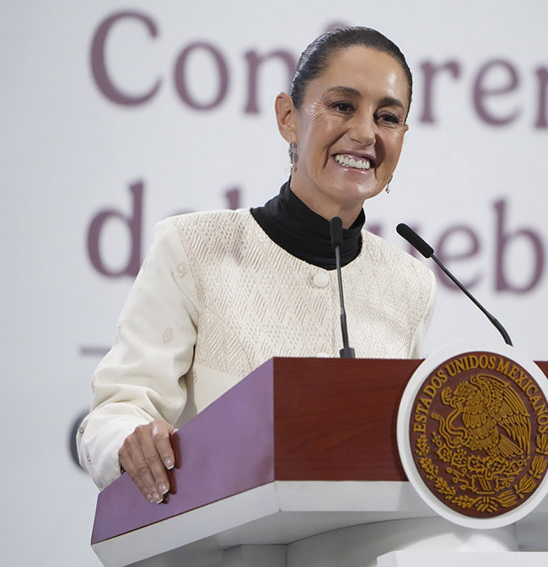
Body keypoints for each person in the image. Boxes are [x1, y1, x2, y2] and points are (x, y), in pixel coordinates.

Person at [77, 27, 436, 504]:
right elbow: (118, 410)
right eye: (342, 106)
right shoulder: (193, 246)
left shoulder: (410, 284)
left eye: (387, 117)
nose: (366, 132)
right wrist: (129, 439)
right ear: (288, 117)